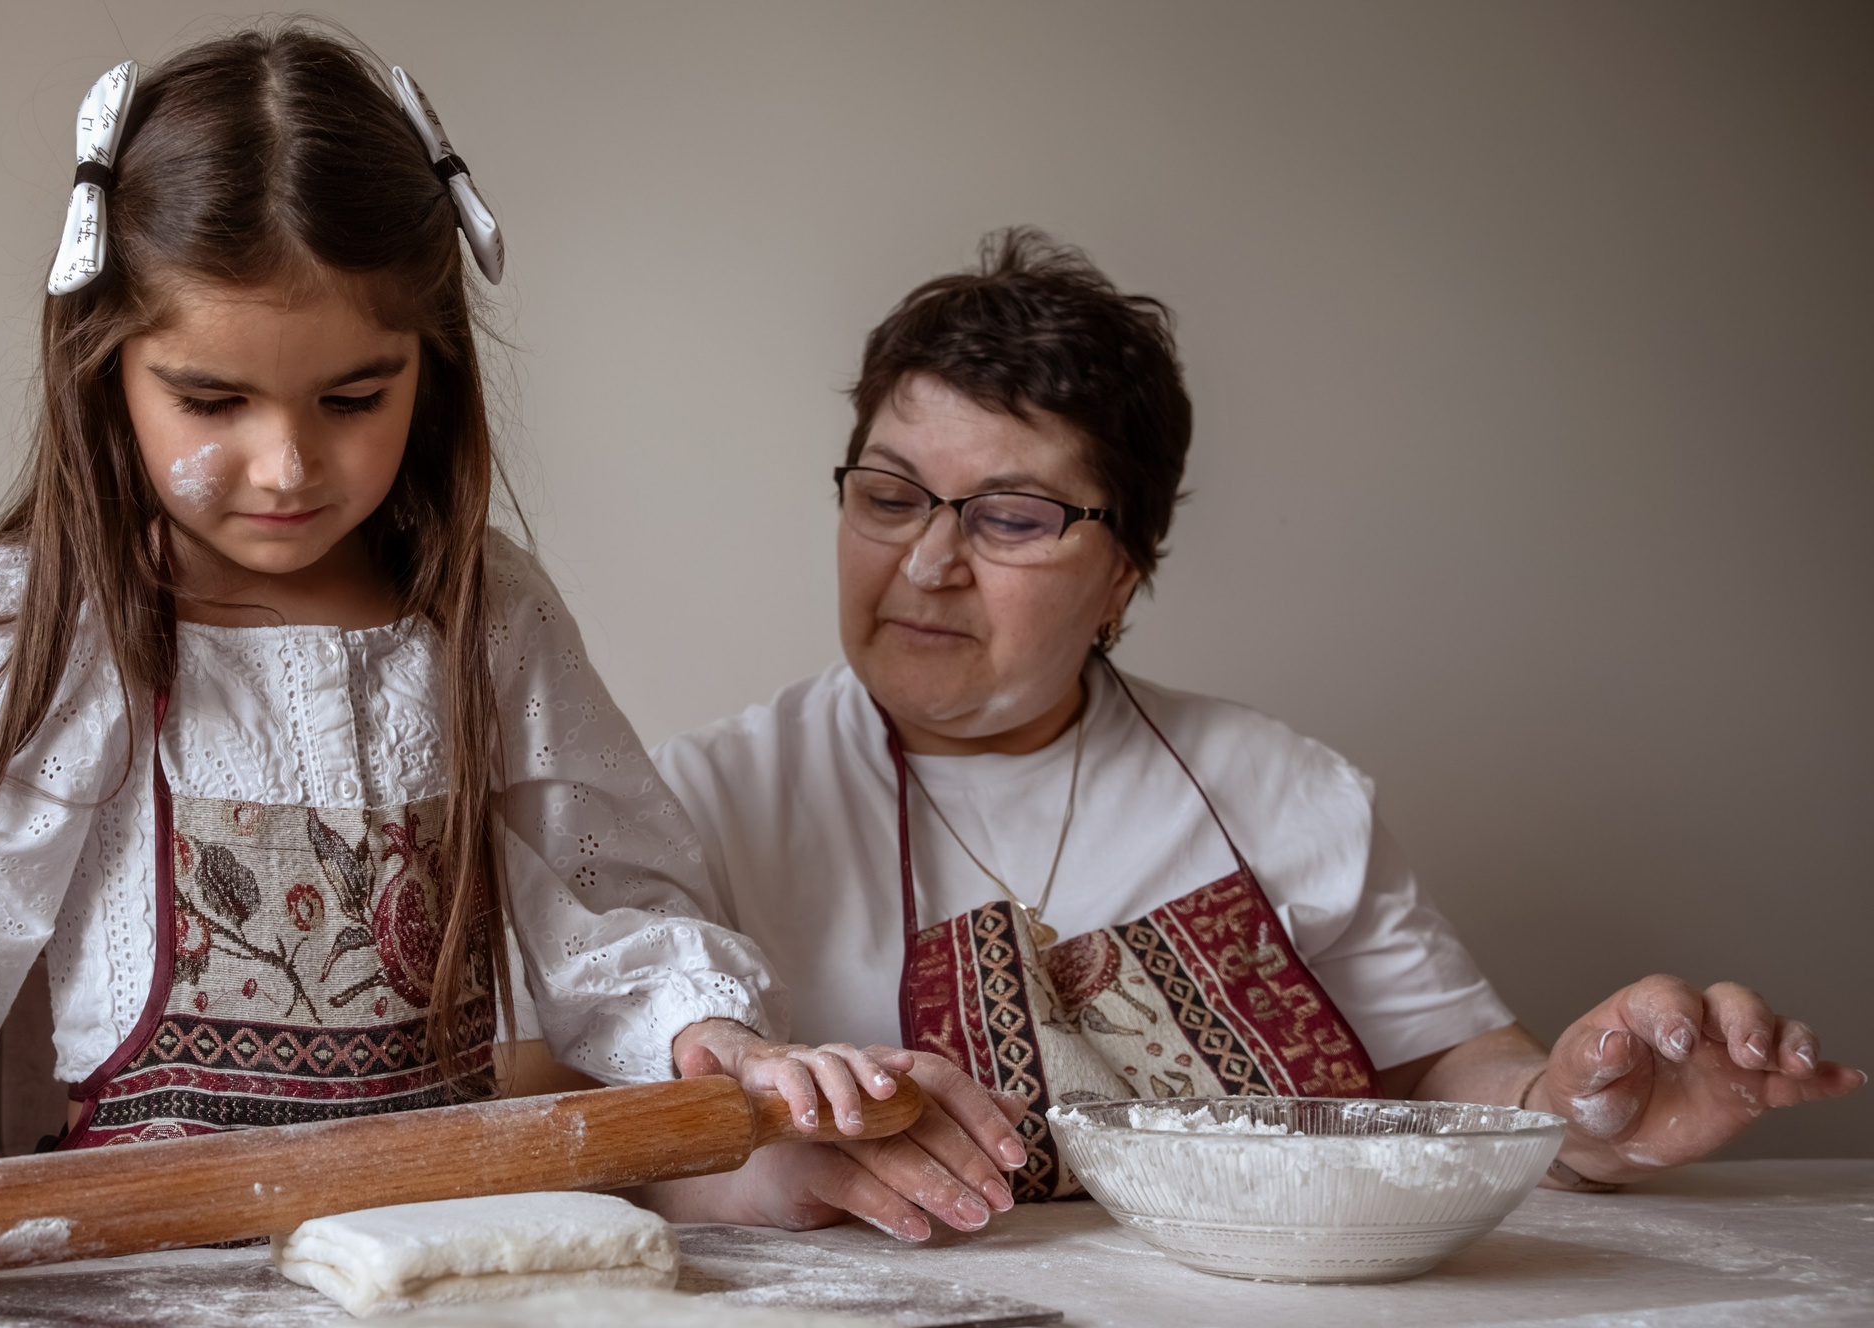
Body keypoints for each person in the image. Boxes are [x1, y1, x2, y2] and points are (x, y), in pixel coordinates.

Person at [0, 28, 1019, 1257]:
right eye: (211, 397)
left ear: (429, 368)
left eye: (354, 395)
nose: (287, 462)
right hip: (141, 1274)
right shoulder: (17, 629)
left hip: (440, 1267)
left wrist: (724, 1047)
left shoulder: (489, 619)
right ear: (104, 364)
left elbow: (614, 913)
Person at [649, 229, 1860, 1239]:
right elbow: (549, 1134)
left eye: (1009, 517)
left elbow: (1456, 1079)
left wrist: (1582, 1114)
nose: (925, 562)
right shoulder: (695, 805)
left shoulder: (1280, 791)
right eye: (888, 495)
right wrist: (754, 1178)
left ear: (1126, 568)